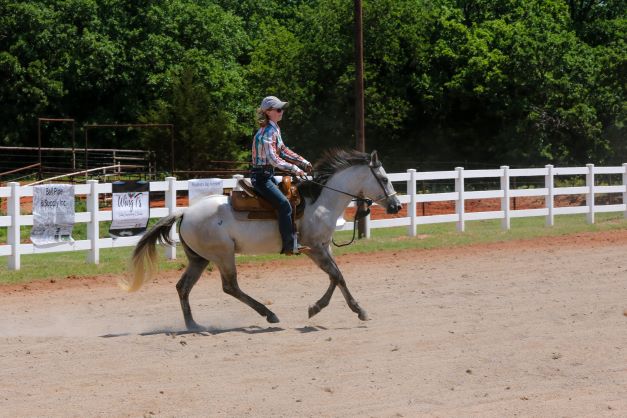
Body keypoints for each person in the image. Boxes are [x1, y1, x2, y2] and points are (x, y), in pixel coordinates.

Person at [251, 96, 312, 255]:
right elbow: (273, 158)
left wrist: (303, 162)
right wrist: (294, 168)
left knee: (291, 197)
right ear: (268, 112)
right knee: (284, 204)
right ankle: (289, 245)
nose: (281, 112)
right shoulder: (267, 132)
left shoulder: (274, 129)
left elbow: (283, 150)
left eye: (282, 109)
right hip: (261, 178)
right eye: (278, 109)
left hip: (267, 175)